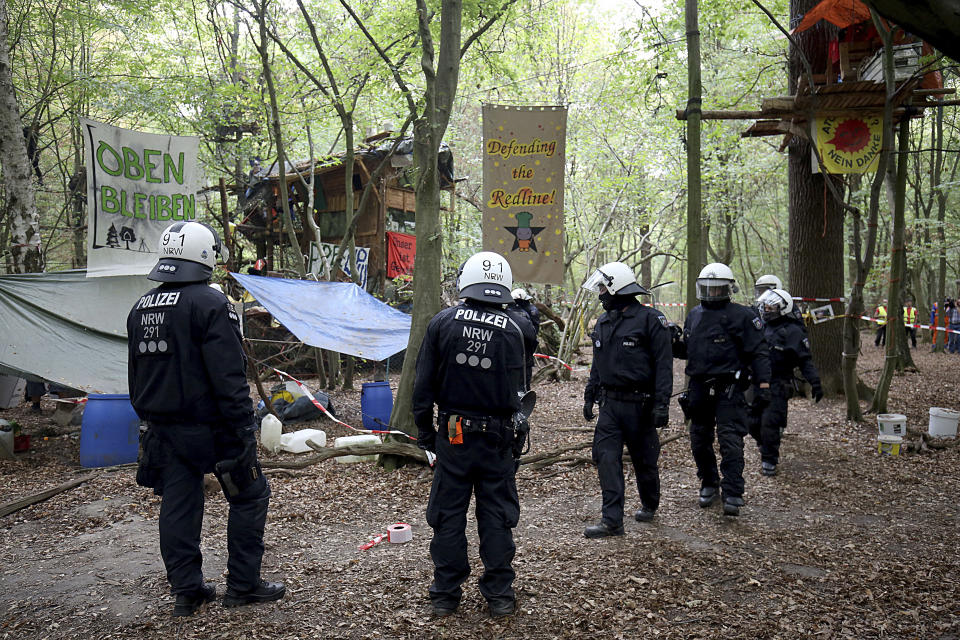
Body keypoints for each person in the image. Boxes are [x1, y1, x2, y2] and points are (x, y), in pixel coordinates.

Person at [127, 221, 284, 617]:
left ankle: (187, 591)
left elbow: (134, 375)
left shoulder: (140, 306)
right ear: (205, 255)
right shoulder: (212, 305)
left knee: (179, 504)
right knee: (250, 495)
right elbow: (229, 377)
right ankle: (243, 586)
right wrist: (242, 429)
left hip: (163, 431)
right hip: (213, 430)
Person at [412, 251, 537, 619]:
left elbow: (423, 387)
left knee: (448, 516)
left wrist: (425, 431)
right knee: (496, 516)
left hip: (453, 437)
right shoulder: (517, 328)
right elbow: (525, 376)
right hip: (498, 440)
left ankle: (445, 595)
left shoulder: (442, 323)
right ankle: (499, 594)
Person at [581, 262, 672, 537]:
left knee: (645, 461)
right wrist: (590, 395)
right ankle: (612, 520)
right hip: (610, 406)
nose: (600, 294)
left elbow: (663, 365)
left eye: (603, 289)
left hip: (641, 406)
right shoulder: (604, 322)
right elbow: (598, 363)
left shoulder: (651, 320)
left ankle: (650, 503)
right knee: (606, 458)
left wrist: (661, 404)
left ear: (618, 288)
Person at [672, 263, 771, 517]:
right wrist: (672, 342)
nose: (711, 293)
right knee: (699, 440)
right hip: (699, 388)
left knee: (730, 441)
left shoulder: (743, 316)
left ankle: (734, 492)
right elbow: (688, 350)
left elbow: (759, 352)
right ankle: (708, 482)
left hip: (730, 388)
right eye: (707, 288)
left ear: (728, 289)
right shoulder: (694, 314)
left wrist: (763, 385)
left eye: (717, 289)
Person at [750, 289, 822, 476]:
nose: (766, 310)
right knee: (750, 421)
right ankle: (764, 443)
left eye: (771, 307)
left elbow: (805, 360)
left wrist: (815, 382)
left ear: (782, 308)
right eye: (765, 307)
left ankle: (769, 459)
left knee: (770, 422)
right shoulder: (760, 326)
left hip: (778, 383)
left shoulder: (793, 332)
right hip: (756, 382)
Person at [509, 288, 541, 387]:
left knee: (524, 382)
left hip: (524, 353)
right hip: (515, 354)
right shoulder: (509, 312)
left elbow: (533, 334)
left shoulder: (531, 311)